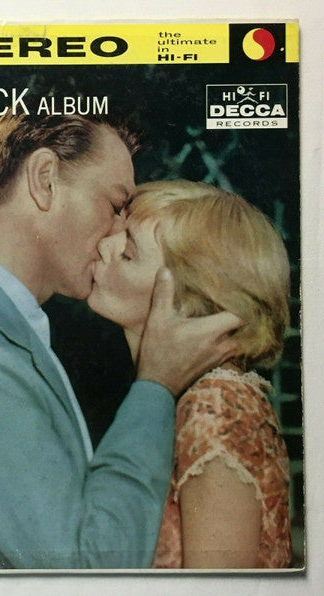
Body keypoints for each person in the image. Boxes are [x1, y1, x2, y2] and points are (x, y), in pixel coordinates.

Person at [0, 112, 241, 569]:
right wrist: (155, 385)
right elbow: (89, 572)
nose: (116, 235)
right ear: (44, 180)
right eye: (115, 205)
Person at [87, 179, 292, 568]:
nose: (103, 246)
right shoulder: (189, 396)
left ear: (190, 305)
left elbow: (216, 589)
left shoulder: (216, 405)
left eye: (128, 253)